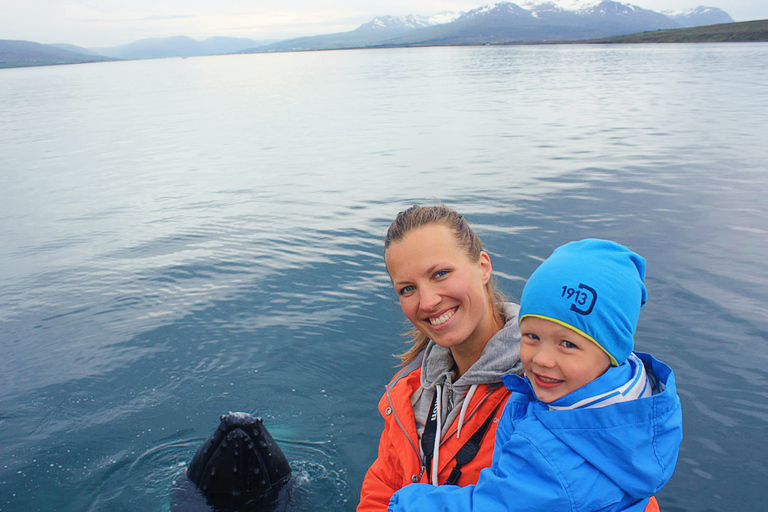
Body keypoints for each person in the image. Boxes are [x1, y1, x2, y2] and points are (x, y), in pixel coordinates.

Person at [388, 239, 683, 512]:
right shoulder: (626, 410)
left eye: (567, 343)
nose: (542, 358)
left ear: (611, 352)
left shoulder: (557, 462)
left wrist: (404, 502)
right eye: (531, 336)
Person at [357, 205, 524, 512]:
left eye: (441, 274)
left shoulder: (551, 384)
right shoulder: (408, 395)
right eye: (408, 289)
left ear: (483, 266)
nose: (428, 302)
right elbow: (379, 496)